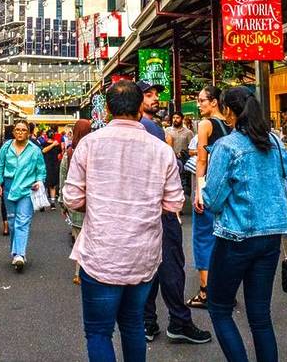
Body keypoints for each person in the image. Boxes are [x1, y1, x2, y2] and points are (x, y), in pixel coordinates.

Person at [63, 81, 185, 362]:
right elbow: (174, 203)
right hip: (143, 255)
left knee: (98, 332)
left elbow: (71, 198)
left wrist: (96, 203)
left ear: (107, 109)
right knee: (133, 326)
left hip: (101, 255)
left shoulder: (88, 145)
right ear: (140, 107)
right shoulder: (161, 149)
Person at [204, 87, 287, 362]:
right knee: (260, 316)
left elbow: (214, 199)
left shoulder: (227, 146)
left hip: (235, 236)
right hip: (271, 236)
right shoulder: (276, 144)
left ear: (228, 110)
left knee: (219, 308)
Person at [137, 82, 212, 345]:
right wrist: (172, 205)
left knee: (151, 268)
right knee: (171, 267)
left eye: (156, 94)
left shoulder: (147, 128)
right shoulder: (150, 129)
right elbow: (162, 170)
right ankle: (179, 321)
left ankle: (147, 323)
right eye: (149, 95)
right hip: (161, 209)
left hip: (145, 210)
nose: (156, 99)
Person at [188, 84, 231, 309]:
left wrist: (198, 191)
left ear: (214, 101)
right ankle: (224, 290)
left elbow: (201, 160)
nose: (199, 104)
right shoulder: (231, 125)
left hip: (210, 189)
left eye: (202, 100)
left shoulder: (205, 124)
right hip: (227, 193)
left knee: (203, 238)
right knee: (222, 241)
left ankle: (206, 291)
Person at [0, 119, 47, 271]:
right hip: (9, 188)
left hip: (26, 189)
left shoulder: (34, 150)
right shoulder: (6, 147)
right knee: (11, 221)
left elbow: (41, 170)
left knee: (22, 220)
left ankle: (20, 255)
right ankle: (16, 252)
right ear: (13, 131)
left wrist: (39, 181)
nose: (20, 132)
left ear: (29, 133)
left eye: (23, 130)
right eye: (17, 130)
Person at [59, 119, 92, 283]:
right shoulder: (96, 150)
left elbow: (63, 177)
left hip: (76, 202)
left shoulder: (70, 152)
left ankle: (79, 273)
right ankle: (90, 270)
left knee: (78, 236)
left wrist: (62, 200)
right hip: (95, 202)